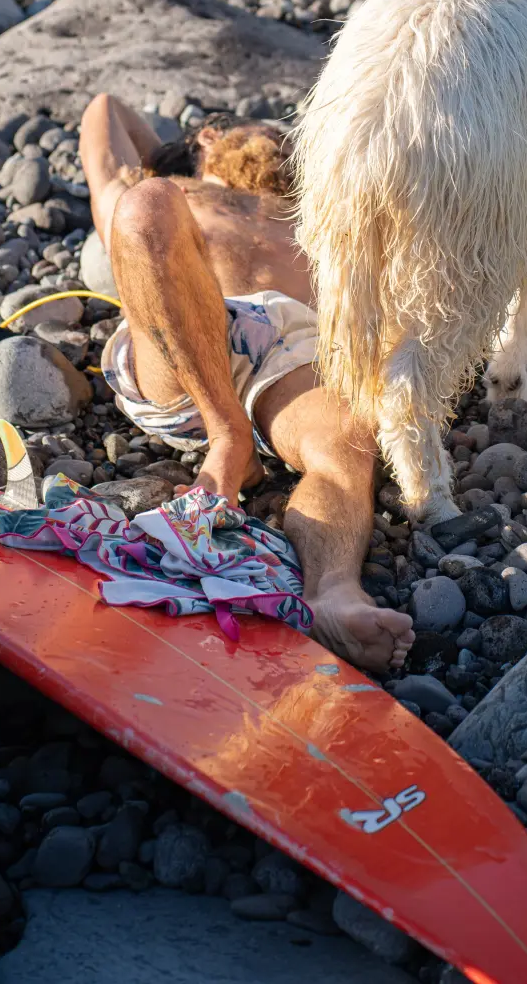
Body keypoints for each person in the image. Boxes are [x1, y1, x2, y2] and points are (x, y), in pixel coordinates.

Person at [79, 93, 414, 675]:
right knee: (142, 205)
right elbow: (105, 110)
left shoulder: (318, 209)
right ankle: (227, 435)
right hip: (187, 338)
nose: (278, 136)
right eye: (258, 126)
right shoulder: (184, 192)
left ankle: (332, 592)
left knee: (344, 444)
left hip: (298, 350)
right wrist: (175, 155)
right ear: (208, 140)